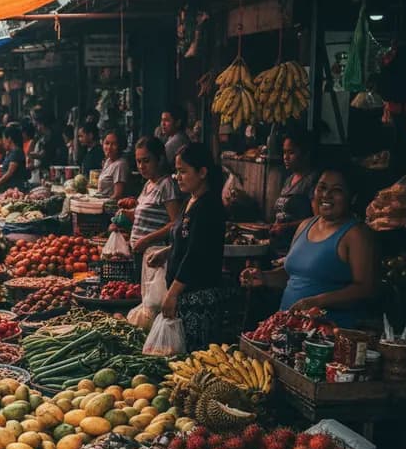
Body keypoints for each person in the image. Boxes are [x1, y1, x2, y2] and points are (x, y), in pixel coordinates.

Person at [240, 168, 375, 327]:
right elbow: (294, 275)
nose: (326, 194)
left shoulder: (357, 234)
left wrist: (316, 302)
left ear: (352, 197)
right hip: (289, 329)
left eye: (336, 190)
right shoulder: (305, 225)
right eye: (322, 187)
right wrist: (264, 277)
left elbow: (366, 289)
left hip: (327, 336)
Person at [148, 143, 226, 351]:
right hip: (186, 295)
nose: (178, 177)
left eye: (183, 172)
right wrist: (167, 252)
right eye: (176, 172)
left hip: (199, 299)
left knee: (193, 358)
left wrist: (172, 293)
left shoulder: (209, 206)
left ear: (202, 172)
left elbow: (196, 254)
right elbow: (185, 240)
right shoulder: (191, 200)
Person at [125, 137, 181, 272]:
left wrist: (147, 240)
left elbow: (176, 222)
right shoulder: (148, 184)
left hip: (155, 256)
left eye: (146, 161)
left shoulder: (166, 185)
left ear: (159, 159)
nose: (141, 166)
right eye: (138, 162)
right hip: (141, 254)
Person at [270, 130, 319, 257]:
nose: (285, 157)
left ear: (305, 154)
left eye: (291, 152)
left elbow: (318, 218)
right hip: (279, 248)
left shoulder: (312, 181)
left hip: (298, 249)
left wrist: (286, 227)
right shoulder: (288, 180)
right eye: (284, 152)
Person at [0, 123, 27, 194]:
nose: (3, 142)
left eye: (4, 139)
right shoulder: (10, 152)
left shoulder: (16, 152)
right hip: (7, 189)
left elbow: (9, 172)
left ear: (9, 139)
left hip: (15, 190)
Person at [96, 128, 130, 200]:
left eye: (114, 144)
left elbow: (117, 195)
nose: (109, 147)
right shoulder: (108, 161)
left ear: (120, 146)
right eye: (107, 143)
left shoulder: (120, 165)